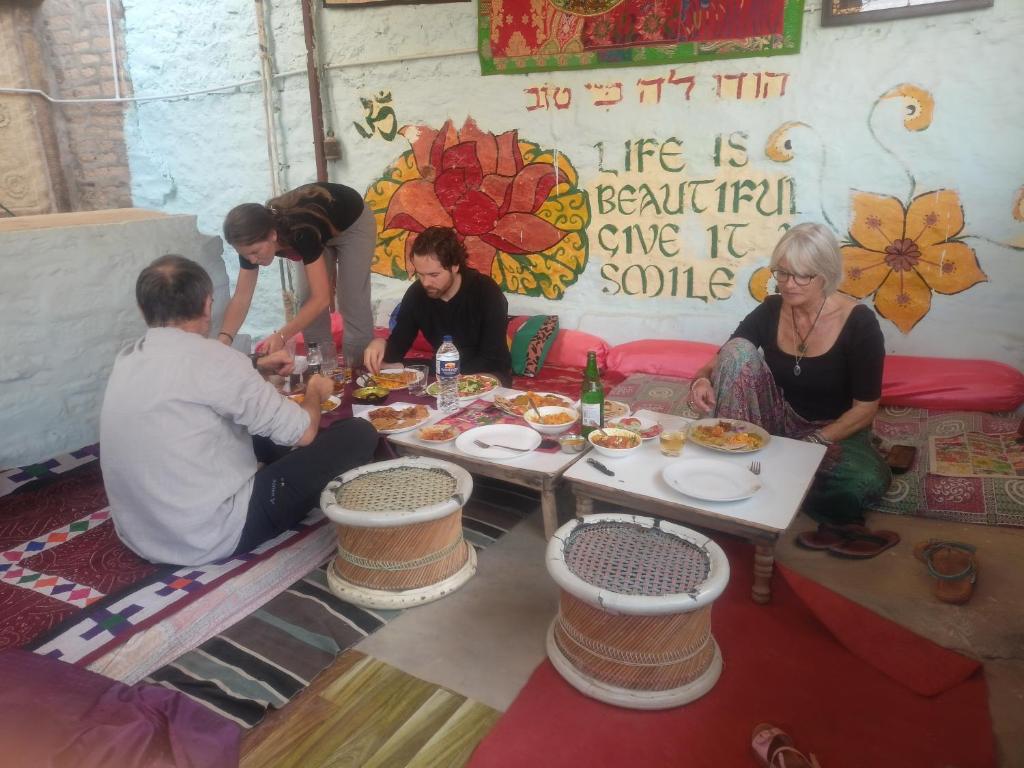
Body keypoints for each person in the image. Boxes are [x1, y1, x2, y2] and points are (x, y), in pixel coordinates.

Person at [100, 255, 378, 566]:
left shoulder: (127, 358)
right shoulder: (215, 359)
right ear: (207, 305)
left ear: (143, 310)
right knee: (358, 433)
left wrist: (254, 366)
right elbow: (303, 433)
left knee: (256, 427)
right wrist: (314, 390)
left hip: (141, 533)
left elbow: (189, 377)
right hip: (212, 534)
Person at [688, 222, 890, 525]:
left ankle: (770, 475)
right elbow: (721, 358)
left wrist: (812, 443)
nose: (789, 284)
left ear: (825, 274)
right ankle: (740, 466)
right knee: (738, 350)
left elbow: (866, 408)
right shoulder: (771, 309)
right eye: (782, 273)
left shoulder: (860, 323)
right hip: (775, 420)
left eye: (802, 275)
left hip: (832, 429)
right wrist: (702, 379)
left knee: (862, 482)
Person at [219, 182, 375, 366]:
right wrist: (223, 341)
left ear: (272, 235)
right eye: (245, 255)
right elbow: (241, 297)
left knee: (352, 297)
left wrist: (282, 335)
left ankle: (359, 368)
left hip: (351, 223)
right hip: (318, 229)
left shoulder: (300, 231)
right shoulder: (249, 244)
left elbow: (322, 298)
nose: (252, 260)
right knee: (306, 299)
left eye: (255, 252)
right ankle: (320, 367)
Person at [363, 226, 511, 379]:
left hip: (487, 371)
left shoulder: (486, 291)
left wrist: (447, 374)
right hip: (442, 370)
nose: (426, 283)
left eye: (434, 275)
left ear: (455, 266)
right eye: (420, 275)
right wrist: (381, 344)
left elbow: (492, 357)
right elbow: (398, 347)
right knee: (381, 369)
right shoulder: (417, 294)